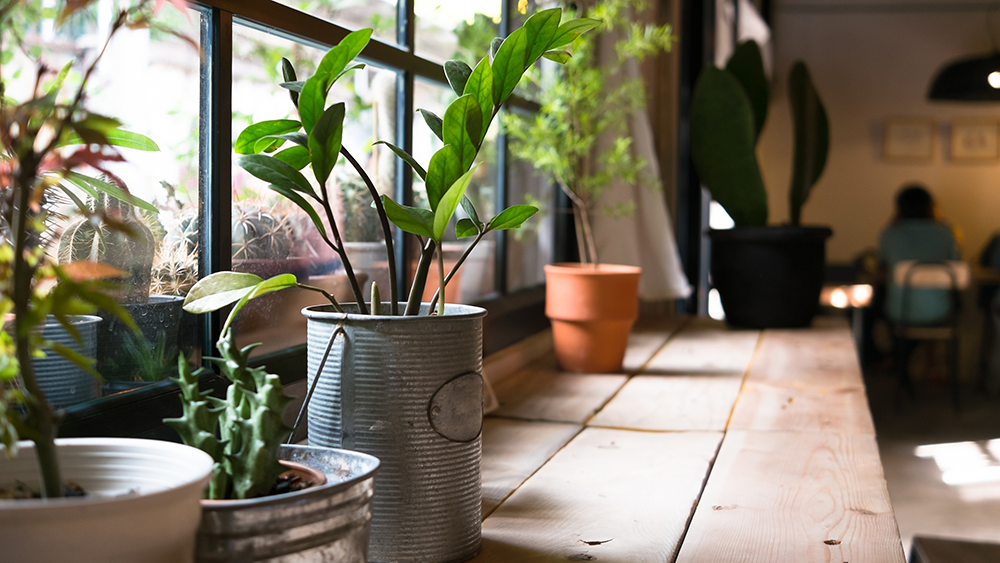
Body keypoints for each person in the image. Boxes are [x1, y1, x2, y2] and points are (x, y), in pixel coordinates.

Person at [879, 184, 960, 326]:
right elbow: (956, 265)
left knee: (872, 304)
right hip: (939, 311)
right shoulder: (945, 232)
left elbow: (882, 264)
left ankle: (898, 347)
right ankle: (928, 347)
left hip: (900, 312)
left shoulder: (890, 233)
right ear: (930, 206)